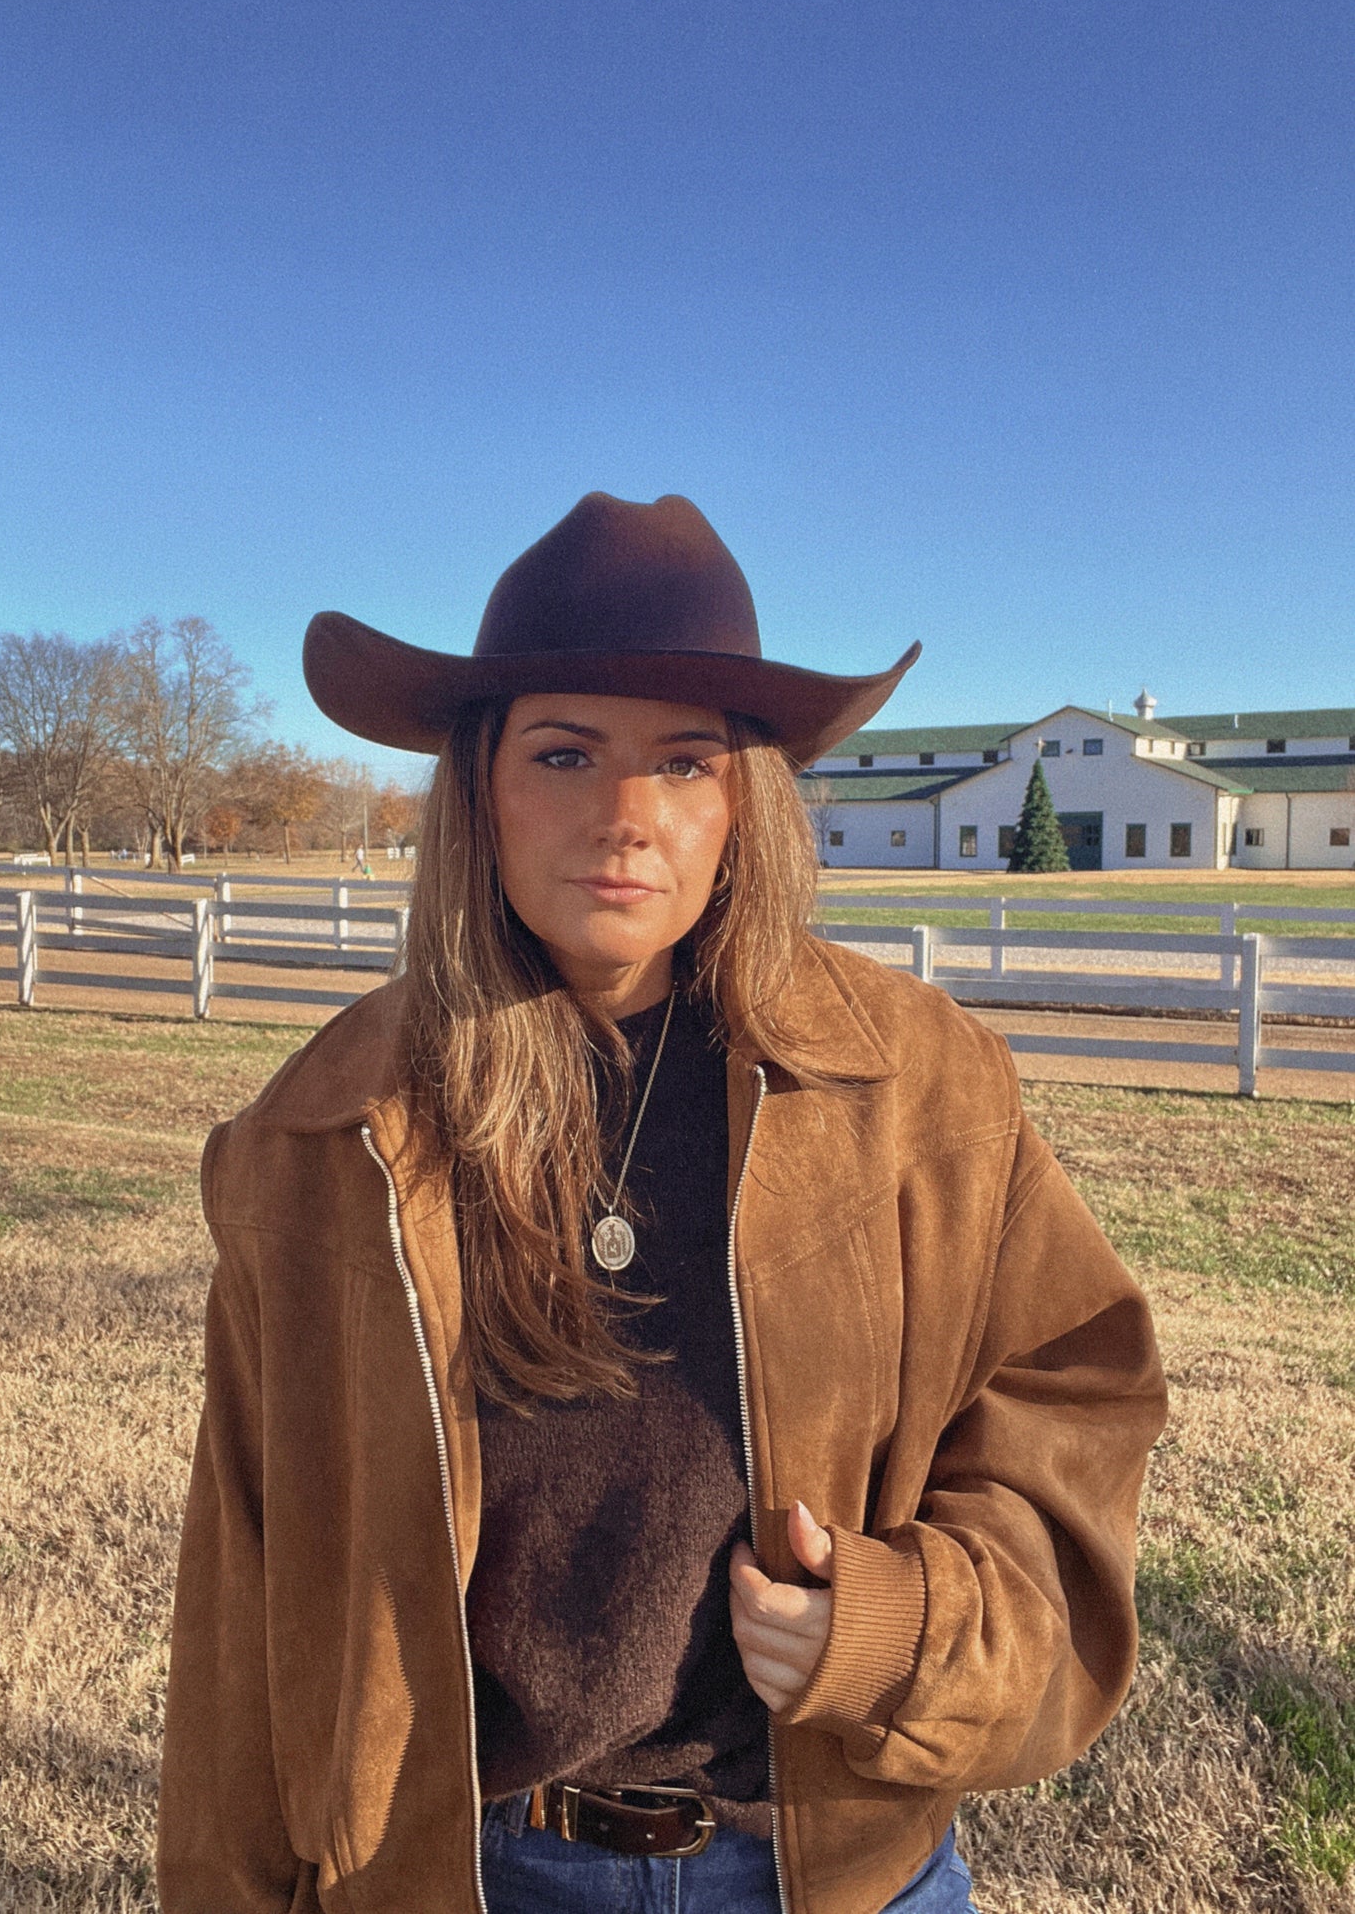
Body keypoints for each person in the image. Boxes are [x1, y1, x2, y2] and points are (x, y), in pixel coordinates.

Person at [158, 493, 1166, 1914]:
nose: (626, 818)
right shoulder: (327, 1133)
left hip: (835, 1867)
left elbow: (1071, 1413)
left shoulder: (916, 1087)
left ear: (740, 802)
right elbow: (244, 1590)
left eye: (684, 764)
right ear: (479, 787)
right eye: (565, 753)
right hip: (464, 1868)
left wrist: (899, 1628)